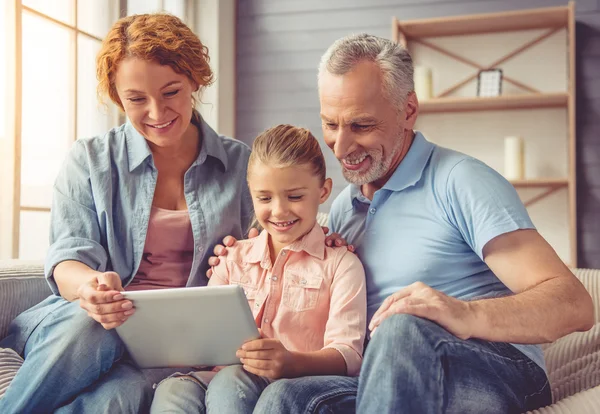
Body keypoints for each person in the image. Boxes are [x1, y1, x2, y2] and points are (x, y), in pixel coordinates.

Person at [209, 34, 595, 413]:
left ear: (408, 110)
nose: (340, 148)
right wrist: (245, 257)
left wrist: (465, 314)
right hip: (380, 373)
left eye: (361, 125)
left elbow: (574, 305)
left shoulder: (460, 181)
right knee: (285, 397)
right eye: (330, 124)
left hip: (496, 368)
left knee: (402, 326)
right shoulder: (345, 205)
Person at [0, 13, 255, 413]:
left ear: (195, 81)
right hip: (82, 327)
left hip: (176, 343)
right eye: (137, 99)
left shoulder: (242, 165)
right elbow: (69, 256)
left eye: (171, 92)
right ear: (119, 98)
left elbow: (278, 243)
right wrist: (90, 288)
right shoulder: (89, 160)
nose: (157, 112)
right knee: (102, 321)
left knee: (121, 396)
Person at [150, 124, 367, 413]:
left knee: (231, 379)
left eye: (295, 196)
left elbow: (349, 355)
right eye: (264, 198)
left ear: (323, 190)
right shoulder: (231, 258)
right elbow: (205, 336)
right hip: (218, 375)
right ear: (250, 193)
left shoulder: (341, 264)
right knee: (173, 389)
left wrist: (291, 361)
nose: (278, 211)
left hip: (289, 383)